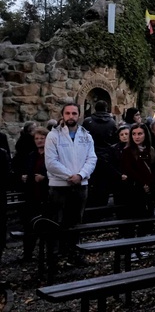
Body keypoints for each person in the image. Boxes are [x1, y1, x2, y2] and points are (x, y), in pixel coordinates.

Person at [45, 102, 97, 263]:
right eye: (67, 113)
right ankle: (54, 256)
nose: (71, 116)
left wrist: (81, 175)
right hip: (59, 186)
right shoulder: (53, 136)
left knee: (76, 222)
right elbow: (51, 162)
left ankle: (73, 253)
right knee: (57, 222)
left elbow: (92, 158)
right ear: (62, 115)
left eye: (74, 113)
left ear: (79, 115)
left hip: (80, 185)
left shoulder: (86, 136)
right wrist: (70, 176)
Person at [20, 128, 50, 261]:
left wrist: (45, 178)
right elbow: (25, 170)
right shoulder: (31, 155)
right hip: (32, 194)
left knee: (46, 226)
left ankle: (47, 255)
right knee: (29, 226)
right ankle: (27, 254)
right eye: (37, 139)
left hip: (46, 195)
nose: (39, 141)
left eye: (42, 138)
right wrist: (24, 177)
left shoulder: (51, 155)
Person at [82, 100, 118, 207]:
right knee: (104, 184)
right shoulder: (112, 122)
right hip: (106, 156)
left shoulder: (87, 121)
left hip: (90, 155)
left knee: (92, 183)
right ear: (106, 108)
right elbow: (114, 139)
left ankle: (91, 206)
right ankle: (102, 206)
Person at [120, 123, 155, 225]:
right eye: (134, 134)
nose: (137, 137)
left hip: (149, 188)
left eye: (140, 134)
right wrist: (143, 183)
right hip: (134, 188)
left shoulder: (150, 150)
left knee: (148, 218)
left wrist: (149, 183)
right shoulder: (127, 151)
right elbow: (129, 170)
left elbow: (153, 168)